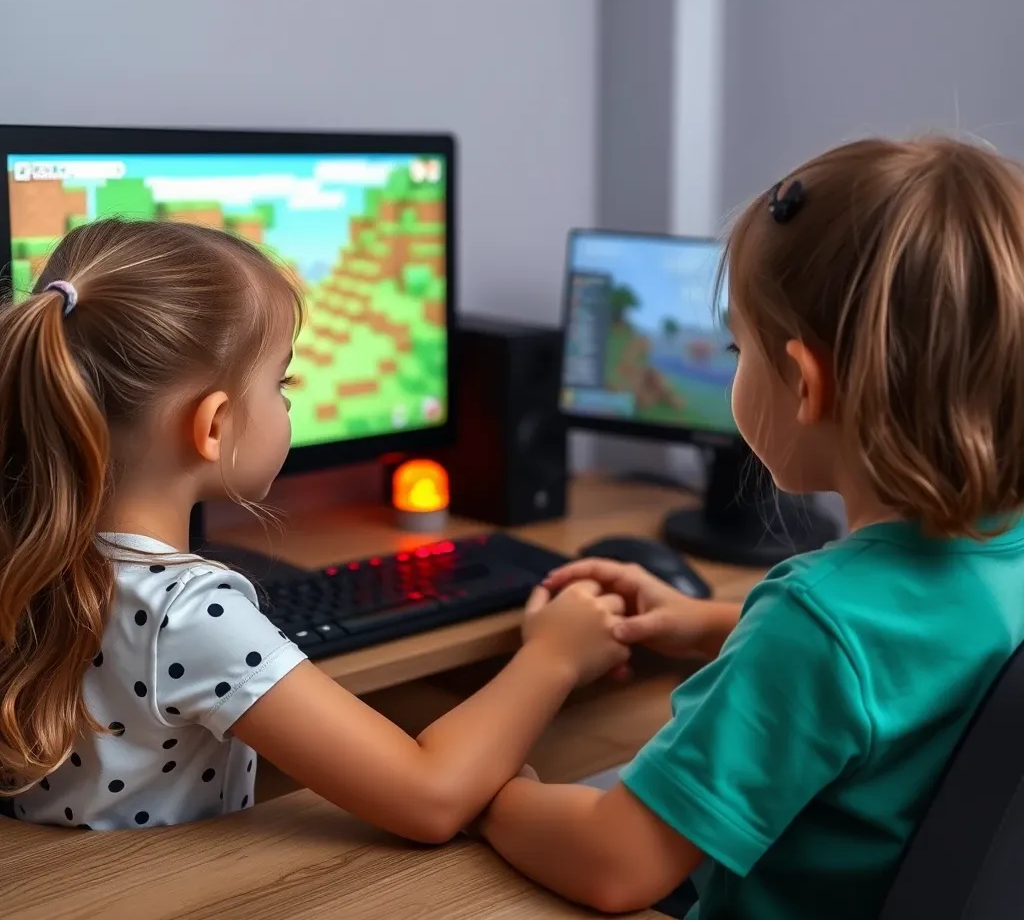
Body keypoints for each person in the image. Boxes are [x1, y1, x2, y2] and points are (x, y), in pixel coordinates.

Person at [477, 136, 1024, 920]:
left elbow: (616, 862)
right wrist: (703, 622)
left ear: (806, 383)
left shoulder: (814, 618)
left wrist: (498, 790)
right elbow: (906, 660)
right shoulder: (999, 555)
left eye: (738, 350)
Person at [0, 218, 629, 836]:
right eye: (282, 383)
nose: (287, 402)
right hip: (171, 914)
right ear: (214, 427)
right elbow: (429, 797)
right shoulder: (186, 613)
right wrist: (555, 655)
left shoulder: (27, 554)